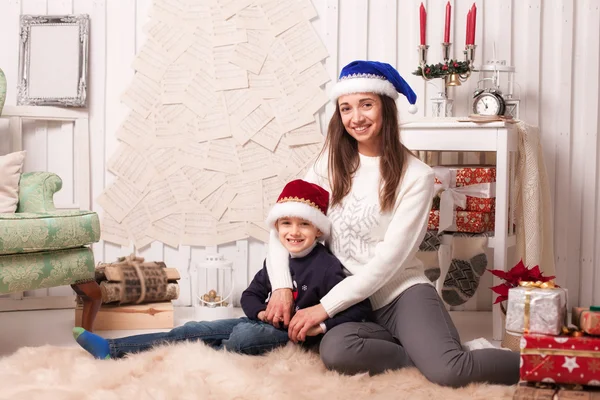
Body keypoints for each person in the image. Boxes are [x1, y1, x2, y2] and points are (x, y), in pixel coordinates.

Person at [262, 60, 520, 387]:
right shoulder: (328, 163)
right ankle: (419, 355)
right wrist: (282, 285)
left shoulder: (417, 177)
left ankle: (544, 364)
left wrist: (322, 309)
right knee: (337, 352)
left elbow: (387, 263)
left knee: (450, 371)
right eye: (346, 108)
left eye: (366, 105)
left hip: (399, 294)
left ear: (385, 107)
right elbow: (282, 220)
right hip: (350, 301)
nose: (356, 117)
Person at [73, 179, 371, 359]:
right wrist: (261, 312)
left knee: (244, 339)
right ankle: (111, 349)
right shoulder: (277, 261)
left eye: (304, 223)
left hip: (290, 337)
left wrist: (320, 325)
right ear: (277, 226)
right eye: (286, 223)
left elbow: (358, 307)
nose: (294, 232)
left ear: (318, 230)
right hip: (262, 323)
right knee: (194, 328)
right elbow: (251, 295)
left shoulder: (327, 267)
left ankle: (203, 350)